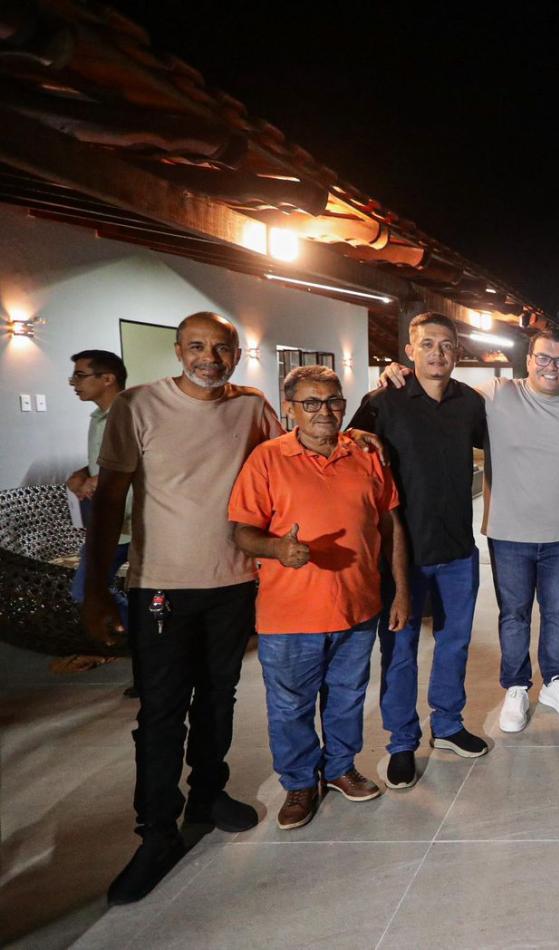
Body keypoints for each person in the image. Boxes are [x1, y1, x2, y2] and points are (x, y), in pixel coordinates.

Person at [84, 312, 282, 905]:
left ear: (236, 355)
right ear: (178, 351)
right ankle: (156, 831)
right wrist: (95, 589)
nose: (209, 359)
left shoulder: (251, 407)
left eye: (221, 349)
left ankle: (207, 794)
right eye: (197, 346)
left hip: (233, 580)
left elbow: (287, 460)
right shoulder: (137, 406)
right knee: (163, 710)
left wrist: (358, 437)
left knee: (219, 696)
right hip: (161, 584)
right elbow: (110, 499)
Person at [229, 366, 410, 829]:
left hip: (357, 606)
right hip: (290, 615)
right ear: (290, 408)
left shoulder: (365, 454)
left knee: (347, 697)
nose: (323, 411)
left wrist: (401, 591)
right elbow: (242, 531)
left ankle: (340, 769)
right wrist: (277, 549)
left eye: (333, 401)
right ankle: (298, 783)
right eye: (310, 403)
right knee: (290, 706)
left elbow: (390, 526)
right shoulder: (267, 459)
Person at [349, 312, 490, 790]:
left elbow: (502, 447)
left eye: (446, 345)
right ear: (409, 351)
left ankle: (447, 725)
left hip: (458, 549)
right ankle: (401, 743)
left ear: (458, 353)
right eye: (427, 344)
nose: (437, 353)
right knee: (399, 649)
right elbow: (349, 448)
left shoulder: (469, 403)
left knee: (454, 643)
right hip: (400, 554)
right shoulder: (383, 401)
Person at [479, 329, 559, 732]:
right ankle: (516, 687)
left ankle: (554, 681)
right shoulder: (497, 394)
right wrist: (399, 375)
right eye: (544, 358)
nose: (552, 367)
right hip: (509, 533)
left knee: (557, 611)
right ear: (529, 360)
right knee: (514, 614)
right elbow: (439, 396)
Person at [66, 350, 131, 627]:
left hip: (135, 522)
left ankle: (147, 634)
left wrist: (103, 478)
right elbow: (105, 462)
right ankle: (142, 632)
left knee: (86, 590)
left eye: (80, 376)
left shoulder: (133, 416)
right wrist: (84, 474)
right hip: (109, 523)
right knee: (86, 591)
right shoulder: (98, 418)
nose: (74, 383)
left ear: (107, 379)